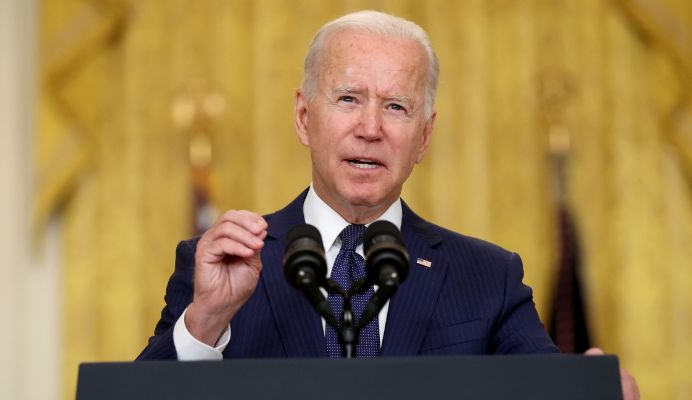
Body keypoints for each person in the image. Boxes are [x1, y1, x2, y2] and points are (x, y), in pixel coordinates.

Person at [137, 10, 638, 399]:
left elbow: (549, 394)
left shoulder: (487, 278)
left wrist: (591, 391)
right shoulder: (224, 264)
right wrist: (205, 322)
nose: (370, 128)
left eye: (396, 107)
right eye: (349, 99)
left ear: (423, 137)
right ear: (303, 116)